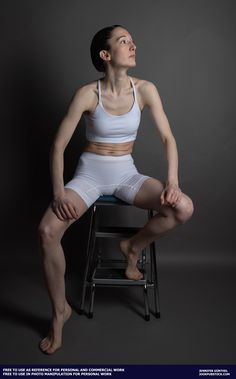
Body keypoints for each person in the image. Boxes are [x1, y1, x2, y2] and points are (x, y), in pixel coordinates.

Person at [38, 24, 194, 354]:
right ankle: (59, 313)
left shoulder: (146, 89)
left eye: (133, 40)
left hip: (126, 175)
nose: (133, 45)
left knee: (183, 207)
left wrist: (173, 181)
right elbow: (57, 146)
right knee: (47, 231)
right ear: (106, 55)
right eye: (125, 41)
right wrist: (58, 192)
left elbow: (168, 138)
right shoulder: (86, 94)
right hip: (90, 176)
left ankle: (132, 248)